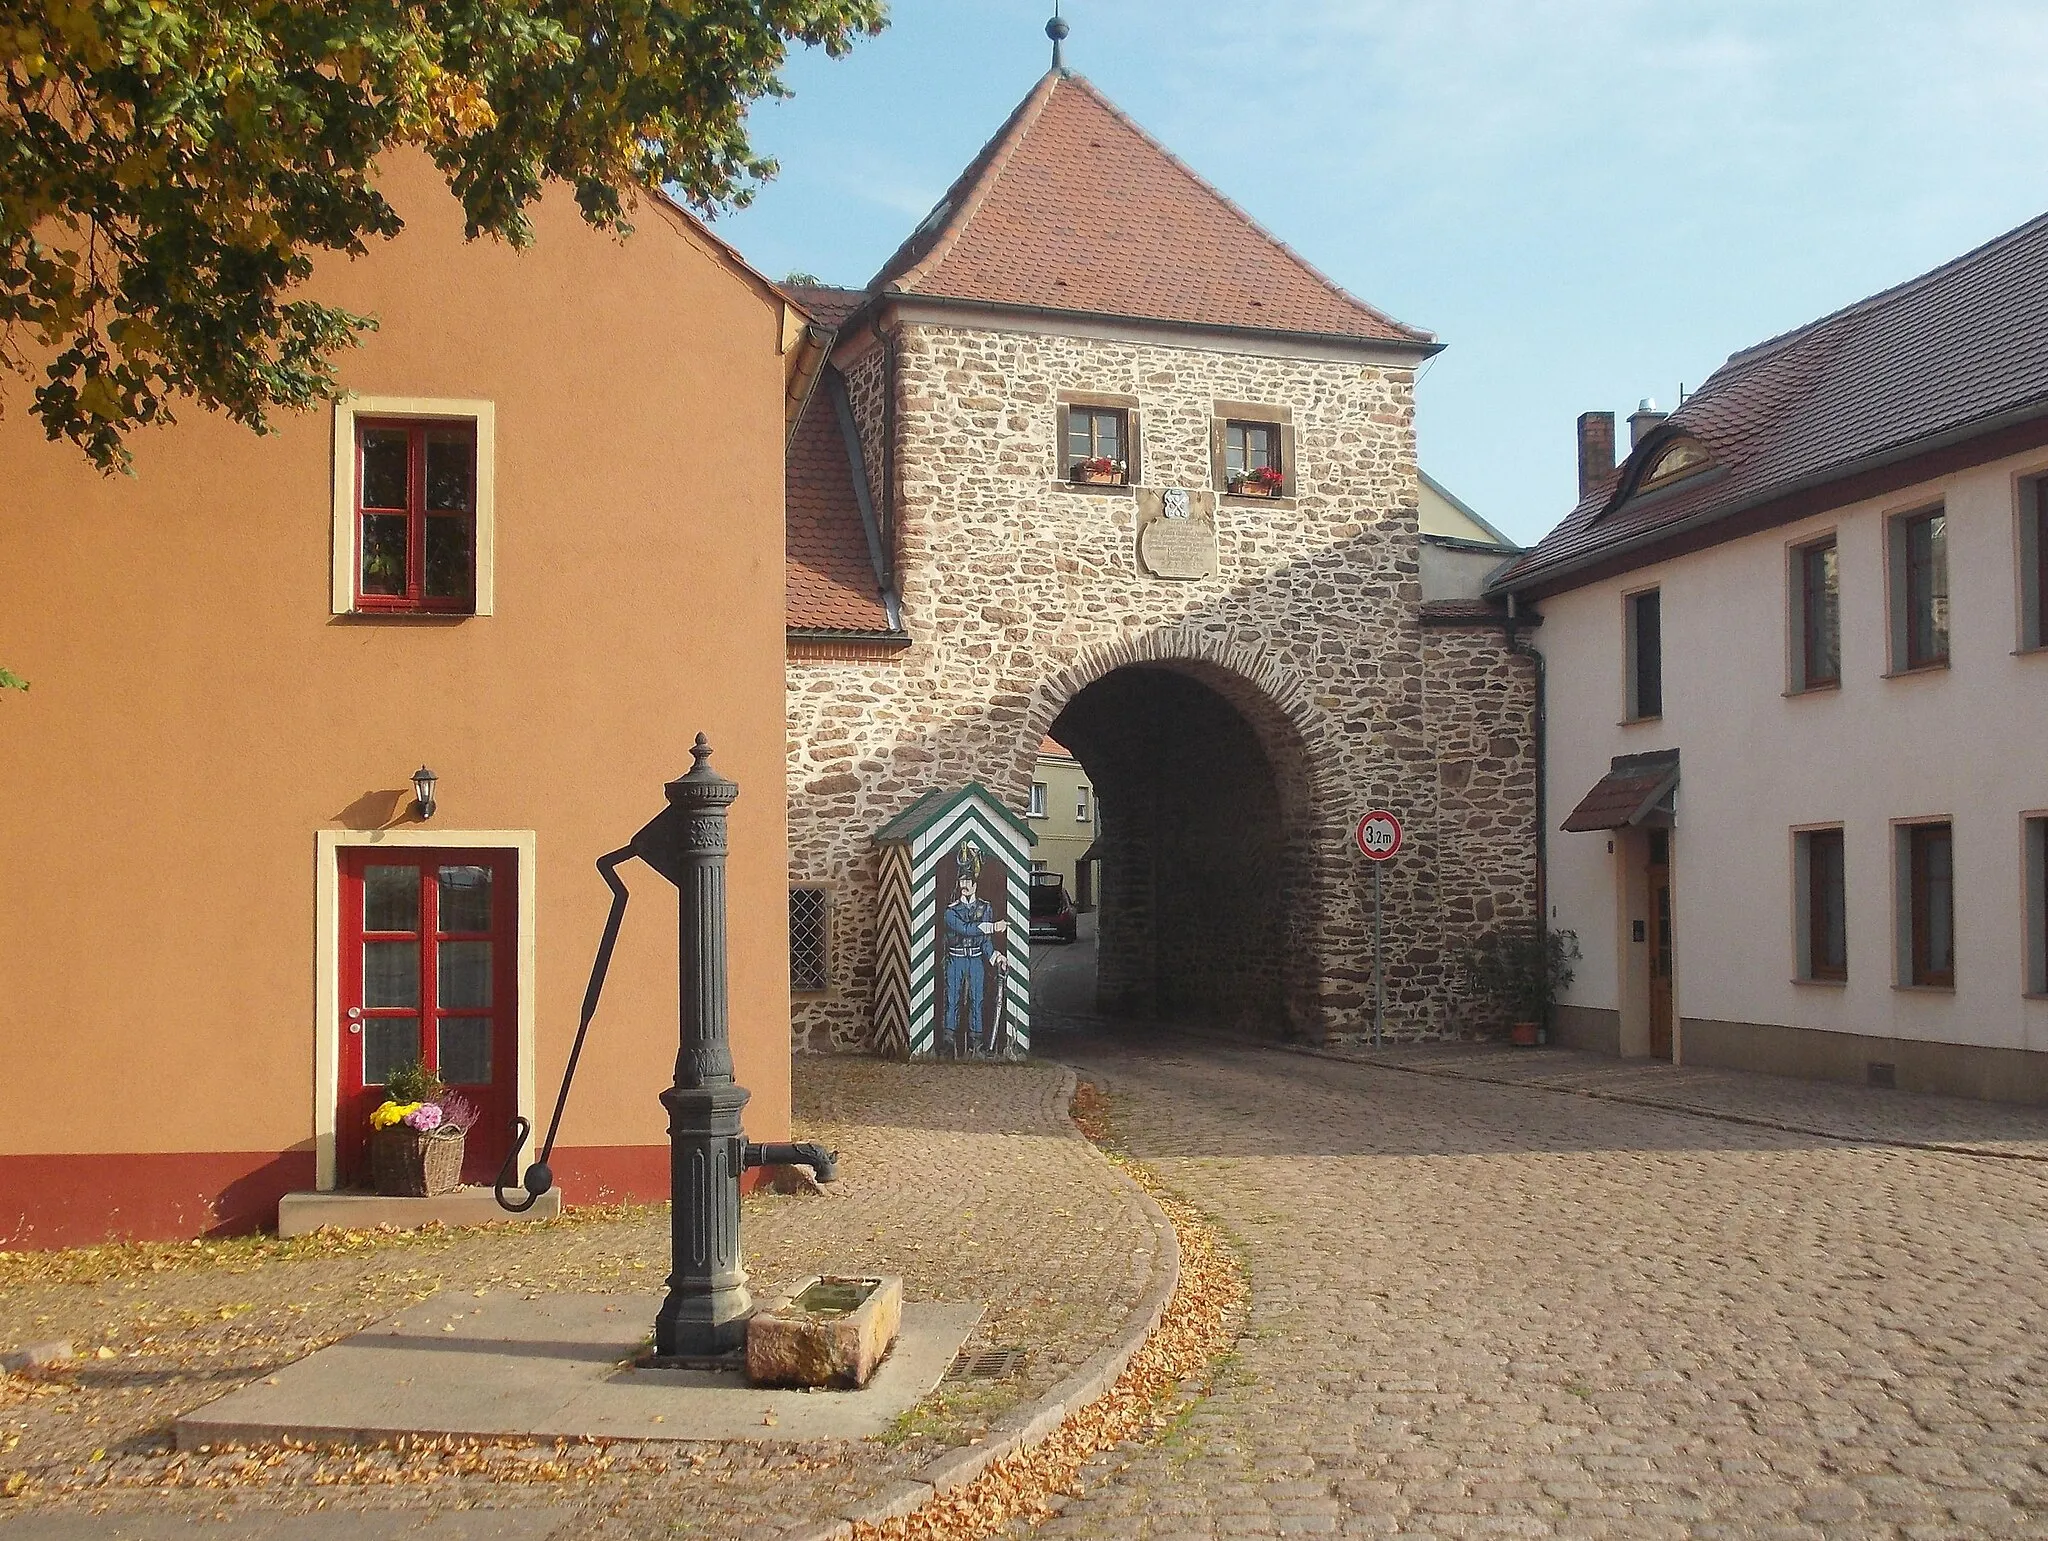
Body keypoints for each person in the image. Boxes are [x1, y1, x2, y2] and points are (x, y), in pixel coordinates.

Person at [940, 842, 1007, 1057]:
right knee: (953, 1000)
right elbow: (965, 930)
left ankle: (976, 1044)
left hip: (976, 960)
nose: (965, 885)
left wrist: (996, 957)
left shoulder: (984, 908)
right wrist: (993, 926)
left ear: (975, 884)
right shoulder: (951, 911)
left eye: (969, 881)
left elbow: (984, 941)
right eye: (962, 881)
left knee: (977, 1000)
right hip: (956, 959)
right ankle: (949, 1043)